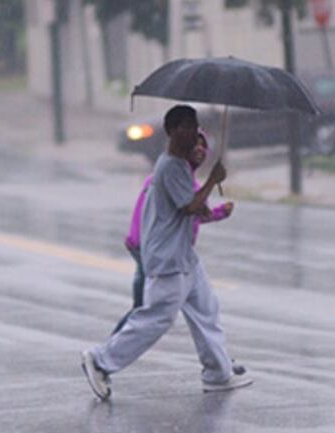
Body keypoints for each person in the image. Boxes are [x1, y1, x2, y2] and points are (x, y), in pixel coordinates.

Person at [81, 105, 252, 400]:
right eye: (184, 127)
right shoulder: (170, 166)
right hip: (168, 260)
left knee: (205, 311)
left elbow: (195, 211)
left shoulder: (181, 167)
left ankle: (218, 373)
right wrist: (213, 180)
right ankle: (100, 361)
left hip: (184, 257)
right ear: (171, 130)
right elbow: (191, 207)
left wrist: (214, 198)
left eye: (194, 127)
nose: (190, 133)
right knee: (156, 319)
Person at [112, 130, 233, 335]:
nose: (199, 149)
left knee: (195, 307)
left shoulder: (186, 182)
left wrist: (219, 212)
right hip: (154, 251)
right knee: (149, 311)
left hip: (159, 250)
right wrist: (212, 182)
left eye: (203, 145)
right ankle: (104, 355)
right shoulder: (164, 177)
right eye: (193, 144)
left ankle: (218, 357)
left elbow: (194, 213)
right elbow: (184, 210)